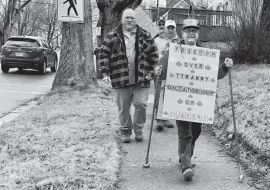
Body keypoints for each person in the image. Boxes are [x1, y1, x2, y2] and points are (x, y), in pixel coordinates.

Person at [154, 17, 234, 182]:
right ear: (182, 33)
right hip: (179, 98)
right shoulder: (173, 51)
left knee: (196, 131)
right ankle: (186, 165)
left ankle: (186, 155)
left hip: (199, 101)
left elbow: (214, 74)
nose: (191, 33)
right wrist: (158, 71)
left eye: (194, 31)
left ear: (198, 34)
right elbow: (162, 72)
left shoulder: (205, 52)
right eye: (188, 30)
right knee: (185, 132)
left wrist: (225, 66)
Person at [98, 9, 160, 143]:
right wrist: (105, 72)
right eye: (127, 17)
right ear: (122, 20)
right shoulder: (112, 35)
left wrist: (154, 69)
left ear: (136, 20)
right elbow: (103, 54)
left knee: (142, 104)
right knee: (123, 107)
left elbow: (154, 54)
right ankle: (126, 131)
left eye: (132, 18)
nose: (130, 20)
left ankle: (138, 129)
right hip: (120, 77)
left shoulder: (145, 35)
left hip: (142, 77)